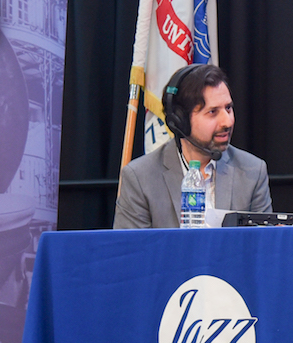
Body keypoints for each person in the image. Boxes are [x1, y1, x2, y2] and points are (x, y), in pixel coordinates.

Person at [114, 63, 272, 229]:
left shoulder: (252, 171)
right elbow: (130, 252)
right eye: (213, 112)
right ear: (180, 121)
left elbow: (262, 248)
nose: (227, 121)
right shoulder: (140, 178)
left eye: (228, 108)